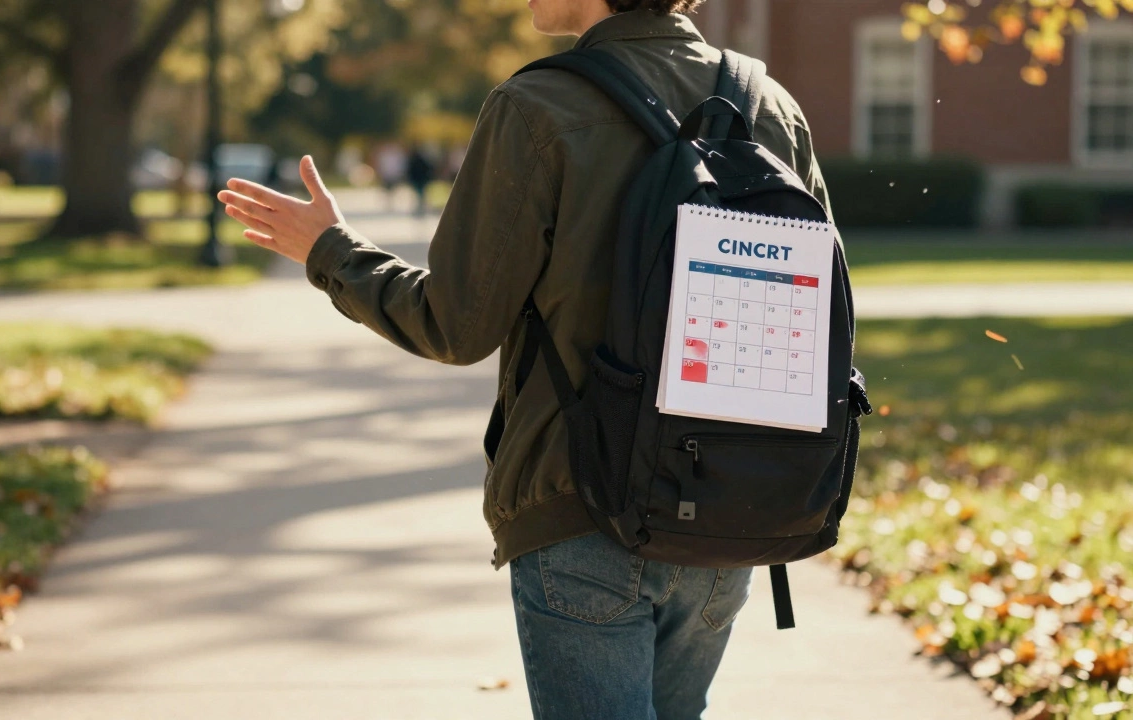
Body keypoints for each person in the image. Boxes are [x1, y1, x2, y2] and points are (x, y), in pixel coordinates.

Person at [218, 0, 833, 716]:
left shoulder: (538, 105)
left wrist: (332, 252)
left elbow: (454, 324)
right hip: (730, 511)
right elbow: (815, 319)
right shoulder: (769, 106)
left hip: (582, 509)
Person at [405, 145, 435, 217]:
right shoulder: (422, 160)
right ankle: (421, 207)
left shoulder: (413, 160)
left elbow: (410, 171)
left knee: (418, 194)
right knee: (420, 194)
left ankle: (419, 208)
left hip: (417, 180)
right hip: (421, 180)